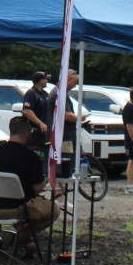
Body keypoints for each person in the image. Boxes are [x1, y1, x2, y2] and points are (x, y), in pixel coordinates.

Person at [0, 115, 55, 253]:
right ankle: (21, 237)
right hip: (16, 209)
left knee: (30, 203)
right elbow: (38, 187)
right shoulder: (30, 156)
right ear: (26, 133)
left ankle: (25, 240)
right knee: (53, 210)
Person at [47, 68, 79, 201]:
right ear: (68, 79)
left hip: (61, 135)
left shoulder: (58, 92)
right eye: (74, 83)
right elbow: (66, 115)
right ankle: (59, 197)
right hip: (63, 136)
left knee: (62, 165)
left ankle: (60, 196)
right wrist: (80, 117)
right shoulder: (60, 94)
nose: (75, 86)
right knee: (63, 167)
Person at [21, 70, 51, 156]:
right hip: (35, 133)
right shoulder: (31, 93)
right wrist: (40, 123)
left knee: (44, 155)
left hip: (44, 134)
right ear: (41, 81)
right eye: (45, 79)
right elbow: (27, 111)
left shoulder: (45, 94)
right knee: (35, 156)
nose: (47, 81)